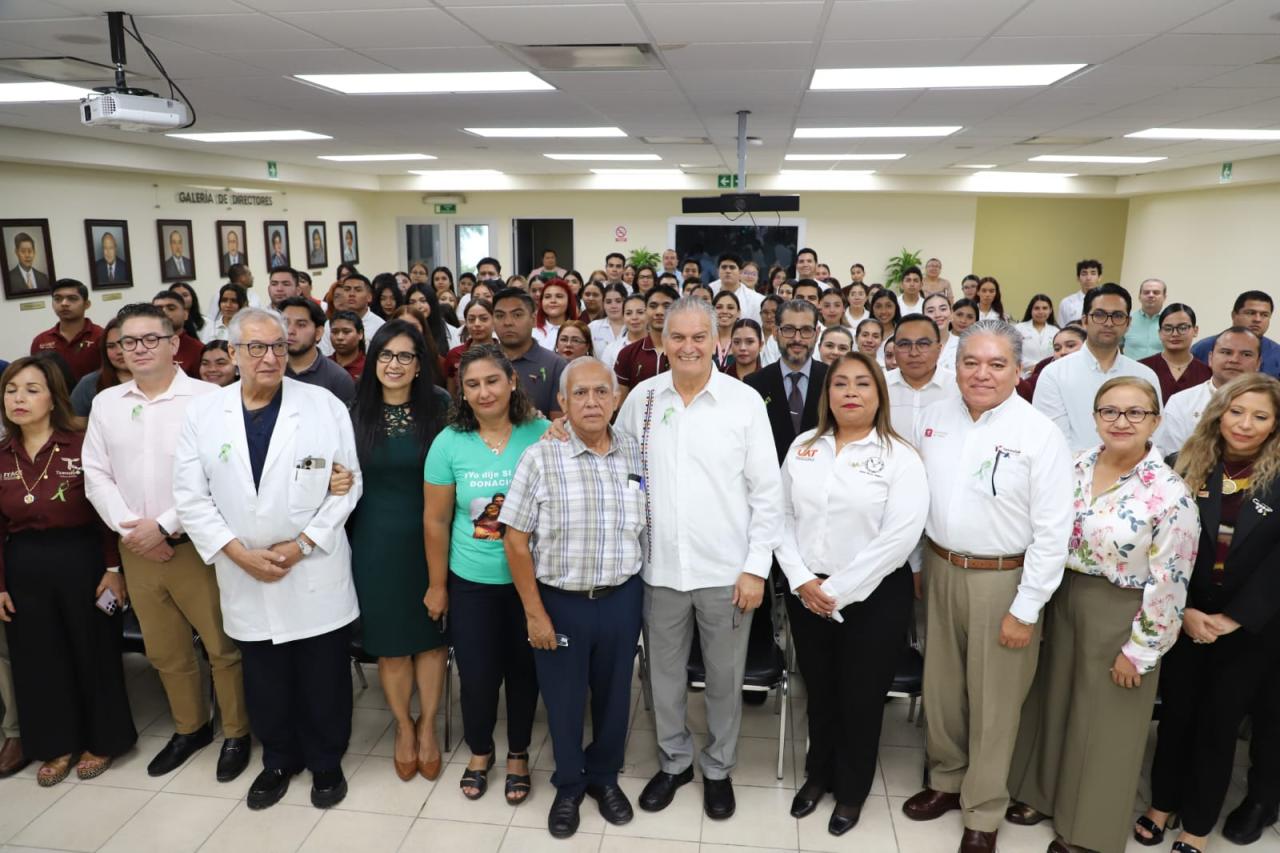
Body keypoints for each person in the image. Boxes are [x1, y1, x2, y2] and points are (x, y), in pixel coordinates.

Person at [172, 306, 362, 811]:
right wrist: (239, 554)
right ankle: (278, 759)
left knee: (323, 675)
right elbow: (190, 497)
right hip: (243, 570)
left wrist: (302, 545)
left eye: (278, 346)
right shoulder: (204, 414)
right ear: (233, 352)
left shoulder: (322, 405)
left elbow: (348, 484)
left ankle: (326, 761)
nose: (270, 357)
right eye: (255, 347)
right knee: (265, 676)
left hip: (313, 568)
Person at [1006, 377, 1198, 853]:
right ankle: (1041, 794)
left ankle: (1088, 829)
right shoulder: (1073, 465)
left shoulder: (1170, 493)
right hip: (1062, 595)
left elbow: (1171, 581)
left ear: (1156, 421)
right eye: (1110, 411)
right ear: (1094, 417)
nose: (1121, 421)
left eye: (1136, 412)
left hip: (1122, 608)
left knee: (1106, 722)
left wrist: (1142, 650)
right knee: (1052, 702)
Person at [904, 321, 1073, 853]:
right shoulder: (932, 419)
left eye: (997, 364)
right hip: (939, 568)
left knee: (995, 703)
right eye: (971, 362)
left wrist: (1026, 608)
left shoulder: (1039, 434)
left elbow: (1054, 532)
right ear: (954, 367)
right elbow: (915, 498)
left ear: (1018, 370)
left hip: (1004, 580)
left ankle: (983, 809)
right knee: (942, 690)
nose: (982, 374)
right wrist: (917, 566)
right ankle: (946, 780)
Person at [613, 297, 782, 821]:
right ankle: (675, 762)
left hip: (727, 573)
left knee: (724, 679)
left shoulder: (743, 402)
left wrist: (755, 567)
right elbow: (615, 467)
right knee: (662, 678)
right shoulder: (641, 399)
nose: (688, 347)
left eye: (699, 337)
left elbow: (768, 493)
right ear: (662, 342)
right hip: (658, 569)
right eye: (678, 337)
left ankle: (718, 768)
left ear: (716, 342)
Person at [82, 303, 252, 782]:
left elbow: (221, 471)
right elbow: (95, 473)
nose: (138, 349)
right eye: (128, 341)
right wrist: (132, 530)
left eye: (150, 339)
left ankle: (237, 732)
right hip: (137, 549)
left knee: (222, 646)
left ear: (174, 343)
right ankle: (190, 728)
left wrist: (165, 526)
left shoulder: (209, 398)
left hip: (198, 546)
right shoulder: (106, 403)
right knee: (164, 649)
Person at [778, 352, 927, 836]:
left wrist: (837, 590)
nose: (850, 392)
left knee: (861, 698)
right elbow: (780, 517)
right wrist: (802, 579)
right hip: (807, 592)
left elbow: (899, 537)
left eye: (863, 383)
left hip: (874, 597)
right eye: (840, 383)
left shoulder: (900, 456)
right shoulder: (804, 446)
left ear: (879, 394)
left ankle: (852, 789)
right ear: (827, 394)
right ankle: (817, 775)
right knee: (819, 691)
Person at [500, 356, 645, 838]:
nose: (591, 402)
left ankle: (604, 777)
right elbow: (515, 540)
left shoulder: (634, 451)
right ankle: (568, 785)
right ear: (561, 402)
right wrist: (534, 613)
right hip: (560, 601)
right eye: (579, 393)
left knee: (614, 696)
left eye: (601, 392)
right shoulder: (541, 456)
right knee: (563, 701)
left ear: (616, 398)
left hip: (621, 597)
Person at [1139, 374, 1280, 853]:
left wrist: (1232, 619)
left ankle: (1197, 826)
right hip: (1186, 614)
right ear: (1218, 414)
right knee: (1176, 716)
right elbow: (1162, 544)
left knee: (1219, 725)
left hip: (1250, 627)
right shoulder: (1183, 464)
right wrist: (1186, 610)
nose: (1245, 424)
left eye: (1260, 416)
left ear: (1275, 424)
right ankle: (1162, 803)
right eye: (1236, 412)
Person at [0, 357, 135, 786]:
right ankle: (55, 743)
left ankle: (103, 741)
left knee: (93, 651)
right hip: (24, 564)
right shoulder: (2, 453)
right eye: (10, 390)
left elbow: (105, 513)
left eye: (31, 389)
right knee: (38, 659)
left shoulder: (81, 443)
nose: (19, 399)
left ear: (54, 397)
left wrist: (113, 569)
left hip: (84, 559)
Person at [423, 344, 548, 804]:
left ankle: (517, 753)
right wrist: (438, 586)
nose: (483, 392)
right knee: (476, 676)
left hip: (530, 582)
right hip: (471, 581)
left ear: (512, 381)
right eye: (472, 384)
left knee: (523, 672)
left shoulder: (542, 433)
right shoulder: (449, 442)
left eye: (492, 381)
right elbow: (435, 520)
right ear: (462, 391)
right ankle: (480, 751)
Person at [347, 322, 451, 782]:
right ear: (373, 360)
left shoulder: (441, 407)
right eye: (385, 355)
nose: (394, 364)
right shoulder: (354, 412)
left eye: (405, 356)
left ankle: (427, 726)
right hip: (374, 542)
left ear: (419, 364)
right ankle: (403, 727)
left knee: (430, 639)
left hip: (433, 540)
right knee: (390, 646)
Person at [1034, 283, 1161, 451]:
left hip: (1133, 466)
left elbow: (1154, 436)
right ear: (1085, 321)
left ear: (1128, 323)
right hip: (1071, 466)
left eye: (1118, 316)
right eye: (1099, 315)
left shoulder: (1145, 376)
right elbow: (1052, 442)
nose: (1108, 323)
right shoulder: (1054, 374)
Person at [746, 300, 829, 464]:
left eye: (806, 330)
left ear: (817, 333)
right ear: (775, 332)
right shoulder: (754, 384)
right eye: (789, 329)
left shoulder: (832, 380)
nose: (797, 339)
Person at [1154, 327, 1262, 453]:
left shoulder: (1271, 403)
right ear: (1210, 358)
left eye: (1246, 354)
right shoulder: (1180, 402)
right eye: (1226, 352)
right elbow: (1168, 456)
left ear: (1258, 363)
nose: (1234, 360)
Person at [490, 288, 567, 419]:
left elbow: (559, 422)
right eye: (500, 316)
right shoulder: (481, 363)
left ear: (533, 319)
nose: (508, 322)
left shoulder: (556, 365)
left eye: (517, 315)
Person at [280, 297, 356, 406]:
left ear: (318, 333)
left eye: (301, 325)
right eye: (285, 323)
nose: (290, 331)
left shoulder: (338, 378)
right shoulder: (270, 370)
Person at [614, 284, 678, 406]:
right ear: (646, 310)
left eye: (667, 306)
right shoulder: (627, 354)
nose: (659, 312)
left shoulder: (686, 353)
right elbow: (622, 405)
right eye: (653, 306)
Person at [1191, 290, 1280, 376]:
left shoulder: (1277, 353)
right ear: (1234, 315)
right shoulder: (1202, 349)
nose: (1257, 319)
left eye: (1264, 315)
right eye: (1250, 313)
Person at [30, 279, 103, 383]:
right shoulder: (41, 340)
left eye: (72, 299)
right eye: (57, 299)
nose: (64, 303)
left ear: (87, 304)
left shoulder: (101, 336)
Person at [1140, 303, 1212, 402]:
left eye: (1182, 328)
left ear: (1195, 331)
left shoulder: (1207, 374)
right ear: (1160, 333)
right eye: (1168, 329)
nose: (1175, 334)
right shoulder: (1142, 368)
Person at [70, 319, 131, 417]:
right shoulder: (89, 384)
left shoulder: (156, 380)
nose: (119, 351)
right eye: (111, 346)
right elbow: (75, 423)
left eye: (126, 343)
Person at [1019, 326, 1088, 402]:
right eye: (1057, 349)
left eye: (1070, 345)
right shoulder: (1046, 372)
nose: (1063, 352)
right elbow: (1027, 390)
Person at [152, 290, 204, 378]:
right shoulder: (143, 346)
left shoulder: (198, 350)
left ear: (185, 314)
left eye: (171, 308)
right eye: (158, 309)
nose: (164, 312)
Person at [601, 292, 649, 371]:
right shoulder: (612, 349)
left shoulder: (660, 346)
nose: (634, 317)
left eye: (640, 312)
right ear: (623, 317)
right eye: (628, 313)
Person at [711, 253, 763, 323]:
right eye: (724, 267)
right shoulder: (708, 290)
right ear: (718, 271)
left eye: (732, 267)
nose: (728, 271)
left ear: (740, 272)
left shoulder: (756, 299)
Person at [1015, 294, 1058, 376]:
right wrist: (1035, 366)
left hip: (1049, 373)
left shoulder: (1056, 331)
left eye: (1045, 308)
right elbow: (1014, 352)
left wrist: (1043, 367)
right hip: (1024, 374)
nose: (1041, 312)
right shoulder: (1019, 328)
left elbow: (1058, 354)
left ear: (1050, 310)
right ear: (1031, 310)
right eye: (1037, 308)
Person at [1124, 278, 1166, 361]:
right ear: (1139, 296)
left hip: (1161, 369)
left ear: (1164, 297)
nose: (1151, 295)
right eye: (1146, 292)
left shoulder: (1171, 322)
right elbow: (1115, 345)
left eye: (1156, 292)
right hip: (1131, 369)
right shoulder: (1126, 319)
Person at [531, 278, 578, 351]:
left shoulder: (580, 332)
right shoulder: (532, 334)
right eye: (547, 297)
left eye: (559, 296)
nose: (553, 301)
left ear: (569, 301)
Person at [1058, 259, 1102, 327]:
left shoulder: (1106, 302)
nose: (1088, 278)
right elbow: (1062, 329)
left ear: (1099, 277)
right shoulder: (1066, 303)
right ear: (1078, 278)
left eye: (1093, 273)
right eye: (1084, 274)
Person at [590, 282, 628, 355]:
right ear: (603, 304)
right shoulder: (593, 327)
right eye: (608, 302)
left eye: (618, 301)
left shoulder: (634, 326)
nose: (613, 306)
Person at [328, 310, 366, 383]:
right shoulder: (323, 365)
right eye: (334, 332)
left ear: (360, 334)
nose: (340, 337)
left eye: (346, 332)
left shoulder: (369, 367)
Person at [923, 292, 958, 368]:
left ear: (951, 314)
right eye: (931, 311)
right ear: (923, 317)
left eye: (943, 309)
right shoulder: (916, 346)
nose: (938, 315)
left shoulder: (963, 344)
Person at [712, 290, 741, 368]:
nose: (724, 311)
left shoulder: (746, 341)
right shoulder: (704, 340)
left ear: (738, 313)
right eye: (719, 307)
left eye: (730, 308)